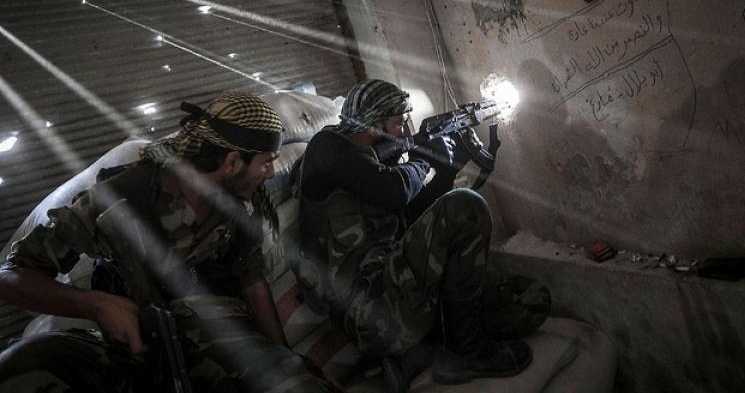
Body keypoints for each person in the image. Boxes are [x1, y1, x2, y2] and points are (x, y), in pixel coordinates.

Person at [0, 92, 340, 392]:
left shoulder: (243, 204)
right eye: (265, 163)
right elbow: (12, 275)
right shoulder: (123, 199)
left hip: (216, 342)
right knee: (22, 364)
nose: (270, 172)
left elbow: (252, 279)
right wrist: (97, 305)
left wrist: (283, 355)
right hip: (135, 349)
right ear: (232, 162)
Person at [296, 79, 540, 390]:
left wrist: (447, 169)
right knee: (466, 206)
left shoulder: (369, 166)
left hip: (399, 291)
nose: (403, 132)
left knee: (531, 300)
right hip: (369, 309)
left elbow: (412, 216)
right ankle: (461, 354)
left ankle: (428, 347)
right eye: (398, 123)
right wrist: (423, 157)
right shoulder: (327, 147)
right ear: (374, 122)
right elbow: (394, 191)